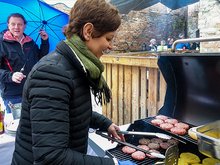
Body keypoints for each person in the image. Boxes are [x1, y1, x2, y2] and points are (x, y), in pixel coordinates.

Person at [11, 1, 136, 165]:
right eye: (108, 38)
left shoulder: (74, 64)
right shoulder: (51, 73)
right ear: (88, 31)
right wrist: (114, 164)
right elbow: (51, 157)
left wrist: (105, 123)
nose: (111, 46)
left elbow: (69, 110)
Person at [0, 13, 49, 116]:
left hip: (32, 90)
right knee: (18, 126)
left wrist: (44, 41)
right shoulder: (2, 43)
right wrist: (11, 76)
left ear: (25, 25)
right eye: (13, 24)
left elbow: (40, 58)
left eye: (20, 24)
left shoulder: (30, 42)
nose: (16, 27)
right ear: (8, 25)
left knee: (33, 122)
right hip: (13, 94)